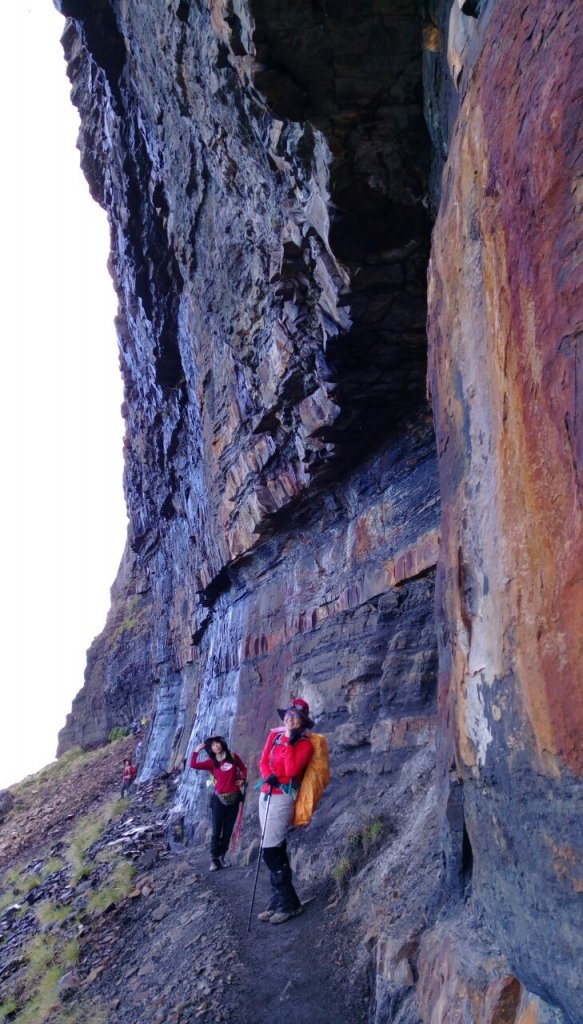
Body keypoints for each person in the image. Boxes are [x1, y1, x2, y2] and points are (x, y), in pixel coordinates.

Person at [257, 698, 314, 924]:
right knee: (276, 849)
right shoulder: (274, 735)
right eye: (288, 714)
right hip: (266, 793)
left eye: (295, 716)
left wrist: (290, 742)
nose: (289, 718)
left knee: (270, 851)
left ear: (302, 721)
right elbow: (263, 761)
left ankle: (288, 903)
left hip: (283, 798)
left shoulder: (304, 745)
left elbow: (291, 771)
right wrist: (266, 776)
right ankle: (280, 901)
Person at [190, 736, 247, 871]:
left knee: (227, 830)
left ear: (222, 744)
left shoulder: (233, 757)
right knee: (216, 830)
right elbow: (193, 765)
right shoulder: (211, 762)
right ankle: (214, 859)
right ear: (211, 749)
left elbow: (243, 769)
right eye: (214, 745)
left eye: (218, 743)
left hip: (233, 798)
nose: (217, 746)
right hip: (218, 800)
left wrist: (243, 779)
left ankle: (222, 856)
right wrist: (196, 751)